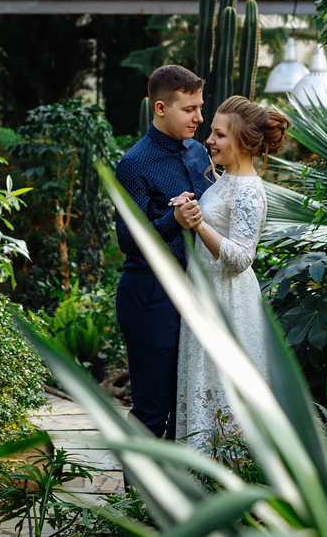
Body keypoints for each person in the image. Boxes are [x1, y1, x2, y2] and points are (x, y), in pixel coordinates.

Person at [173, 95, 289, 448]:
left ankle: (230, 479)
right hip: (207, 294)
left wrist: (198, 225)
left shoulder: (249, 190)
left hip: (229, 302)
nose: (209, 140)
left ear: (242, 143)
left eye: (220, 135)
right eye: (211, 133)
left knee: (224, 389)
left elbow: (242, 258)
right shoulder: (224, 180)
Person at [114, 65, 212, 440]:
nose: (199, 117)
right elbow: (127, 238)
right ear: (160, 108)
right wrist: (174, 219)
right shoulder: (134, 164)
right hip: (151, 294)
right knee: (153, 409)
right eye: (189, 109)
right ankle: (134, 498)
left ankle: (172, 496)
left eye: (200, 107)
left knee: (184, 406)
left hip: (196, 292)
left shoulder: (200, 154)